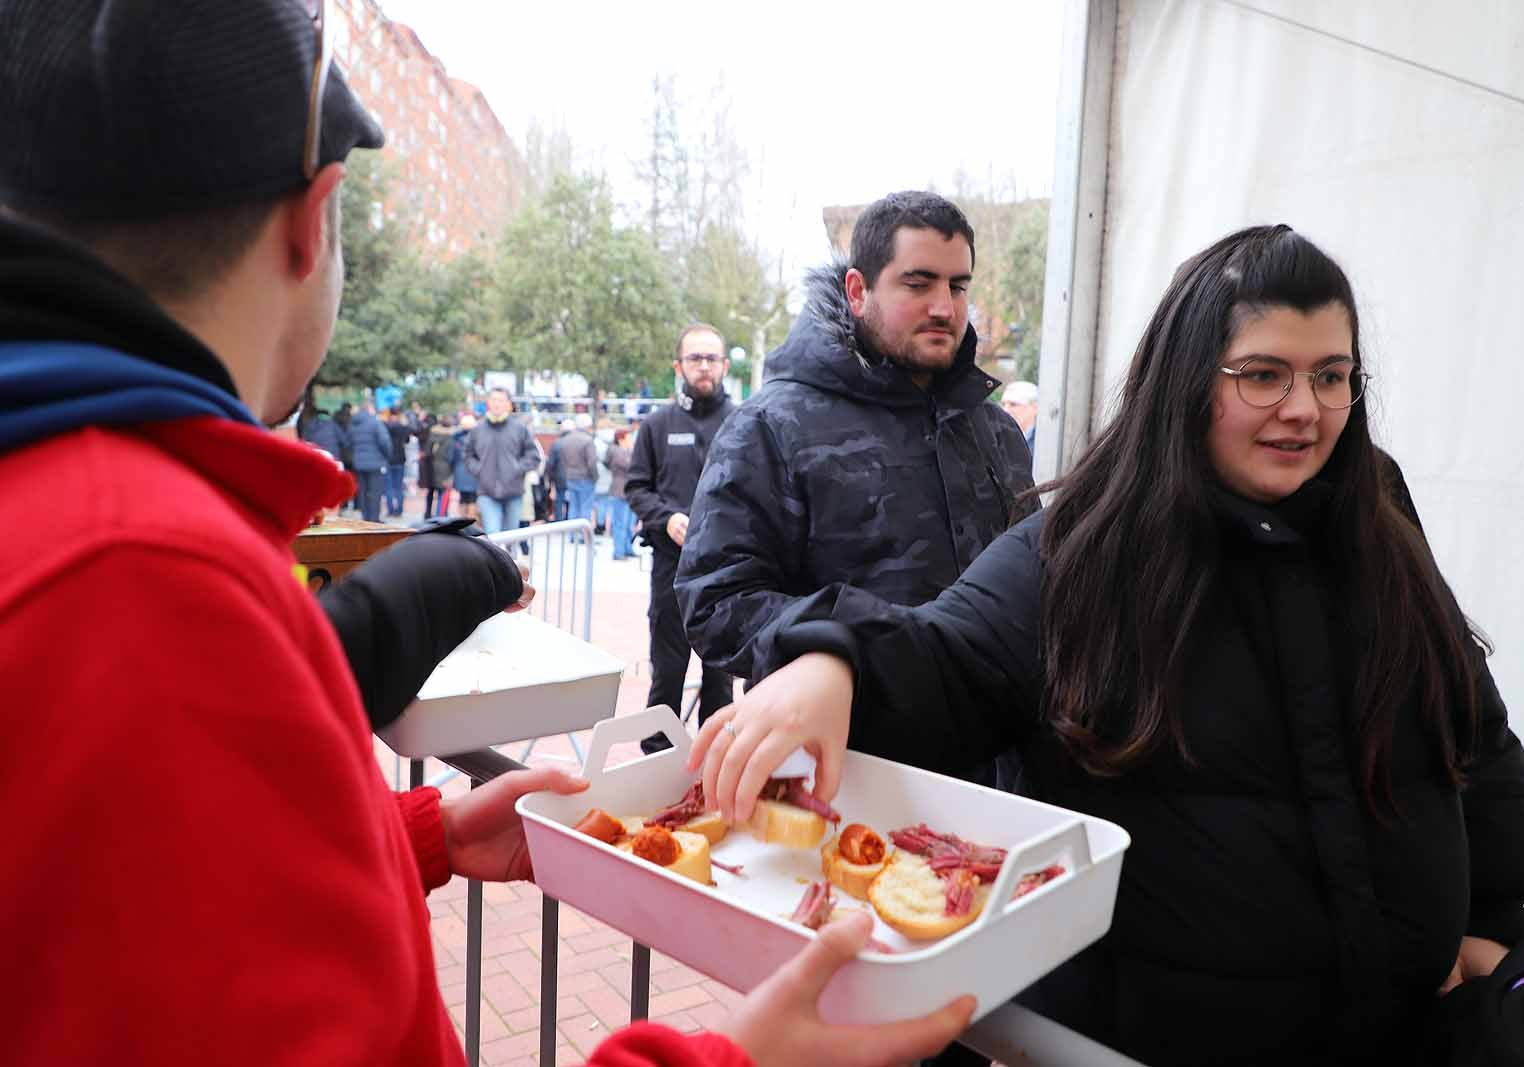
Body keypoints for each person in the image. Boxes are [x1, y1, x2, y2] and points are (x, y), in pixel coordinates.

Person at [0, 3, 975, 1064]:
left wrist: (400, 835)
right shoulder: (147, 579)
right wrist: (739, 1058)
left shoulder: (81, 519)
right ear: (312, 220)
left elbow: (150, 910)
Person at [688, 225, 1524, 1066]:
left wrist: (1490, 917)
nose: (1304, 410)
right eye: (1263, 374)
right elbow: (948, 655)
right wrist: (834, 662)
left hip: (1402, 1036)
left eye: (1332, 375)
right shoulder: (1089, 546)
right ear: (1186, 382)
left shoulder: (1380, 521)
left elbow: (1471, 726)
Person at [674, 191, 1036, 690]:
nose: (943, 307)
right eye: (918, 283)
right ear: (857, 291)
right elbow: (714, 601)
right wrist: (856, 646)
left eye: (957, 286)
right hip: (843, 754)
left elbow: (1029, 581)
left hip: (988, 757)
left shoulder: (995, 432)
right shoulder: (770, 427)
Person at [626, 324, 738, 751]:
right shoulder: (656, 425)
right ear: (679, 366)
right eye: (695, 358)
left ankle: (717, 761)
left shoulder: (745, 420)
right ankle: (657, 756)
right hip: (671, 567)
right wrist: (666, 518)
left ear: (725, 365)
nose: (704, 367)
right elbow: (636, 487)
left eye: (712, 358)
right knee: (668, 670)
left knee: (720, 673)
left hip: (729, 568)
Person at [465, 386, 540, 534]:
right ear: (488, 403)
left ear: (508, 404)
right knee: (493, 535)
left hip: (513, 491)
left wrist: (517, 468)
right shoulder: (478, 429)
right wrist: (479, 469)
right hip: (487, 491)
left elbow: (533, 456)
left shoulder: (519, 429)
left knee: (510, 536)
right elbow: (468, 456)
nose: (497, 404)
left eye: (501, 400)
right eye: (494, 400)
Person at [555, 411, 599, 531]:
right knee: (586, 507)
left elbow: (563, 459)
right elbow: (592, 462)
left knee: (573, 506)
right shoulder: (588, 440)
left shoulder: (566, 440)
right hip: (586, 478)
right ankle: (584, 536)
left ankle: (572, 535)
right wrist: (595, 477)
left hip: (570, 477)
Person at [347, 400, 390, 521]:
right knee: (375, 493)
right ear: (370, 409)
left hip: (359, 463)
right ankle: (374, 519)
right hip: (375, 462)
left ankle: (365, 517)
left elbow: (348, 442)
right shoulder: (375, 423)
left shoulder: (353, 423)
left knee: (363, 491)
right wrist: (386, 456)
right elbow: (384, 442)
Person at [608, 425, 639, 559]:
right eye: (628, 437)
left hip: (629, 492)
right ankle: (619, 551)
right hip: (620, 491)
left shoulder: (627, 451)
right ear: (621, 439)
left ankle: (627, 547)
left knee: (629, 523)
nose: (631, 440)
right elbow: (632, 466)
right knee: (620, 523)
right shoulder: (617, 452)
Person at [382, 404, 412, 518]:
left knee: (388, 487)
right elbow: (408, 440)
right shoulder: (403, 427)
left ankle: (390, 510)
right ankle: (399, 510)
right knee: (399, 486)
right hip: (400, 459)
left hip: (388, 459)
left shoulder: (385, 426)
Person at [449, 413, 480, 521]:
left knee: (462, 498)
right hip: (474, 472)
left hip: (459, 471)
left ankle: (462, 522)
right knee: (473, 498)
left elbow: (451, 456)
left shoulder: (456, 438)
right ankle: (471, 523)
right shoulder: (478, 437)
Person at [424, 413, 455, 518]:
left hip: (431, 466)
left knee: (430, 491)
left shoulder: (433, 433)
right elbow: (452, 455)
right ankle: (441, 514)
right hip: (445, 467)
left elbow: (427, 451)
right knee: (443, 492)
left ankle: (427, 513)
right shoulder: (452, 436)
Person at [1000, 379, 1038, 456]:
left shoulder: (1044, 443)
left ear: (1035, 408)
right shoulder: (995, 439)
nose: (1005, 410)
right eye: (1003, 404)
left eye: (1013, 404)